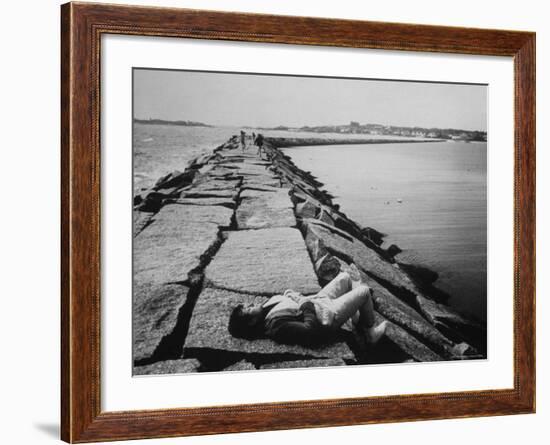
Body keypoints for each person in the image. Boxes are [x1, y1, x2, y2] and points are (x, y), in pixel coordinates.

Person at [228, 265, 388, 348]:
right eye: (249, 308)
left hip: (318, 301)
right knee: (364, 291)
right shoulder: (275, 325)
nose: (251, 302)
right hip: (325, 316)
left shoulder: (264, 309)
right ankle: (369, 333)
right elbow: (309, 329)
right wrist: (304, 304)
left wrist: (295, 297)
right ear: (251, 322)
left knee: (345, 277)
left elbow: (287, 296)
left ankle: (356, 317)